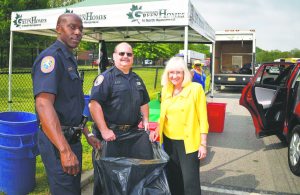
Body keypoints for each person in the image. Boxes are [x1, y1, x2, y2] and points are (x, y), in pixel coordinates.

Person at [32, 13, 100, 195]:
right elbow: (44, 105)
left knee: (71, 189)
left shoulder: (68, 58)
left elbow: (72, 105)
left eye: (81, 29)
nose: (78, 32)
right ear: (58, 28)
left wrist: (86, 133)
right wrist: (64, 150)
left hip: (72, 138)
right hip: (58, 142)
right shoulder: (51, 59)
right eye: (72, 27)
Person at [89, 42, 153, 194]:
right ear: (114, 56)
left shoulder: (136, 78)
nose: (125, 57)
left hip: (131, 136)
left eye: (129, 54)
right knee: (107, 179)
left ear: (132, 58)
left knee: (129, 176)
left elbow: (144, 102)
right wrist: (104, 130)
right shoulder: (106, 78)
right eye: (121, 53)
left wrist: (145, 120)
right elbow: (94, 105)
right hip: (111, 136)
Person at [149, 56, 209, 195]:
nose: (174, 76)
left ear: (184, 73)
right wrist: (157, 129)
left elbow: (203, 118)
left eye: (178, 72)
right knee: (173, 179)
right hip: (169, 141)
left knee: (190, 182)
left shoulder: (195, 89)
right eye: (171, 72)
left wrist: (203, 144)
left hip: (189, 142)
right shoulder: (166, 90)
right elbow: (164, 115)